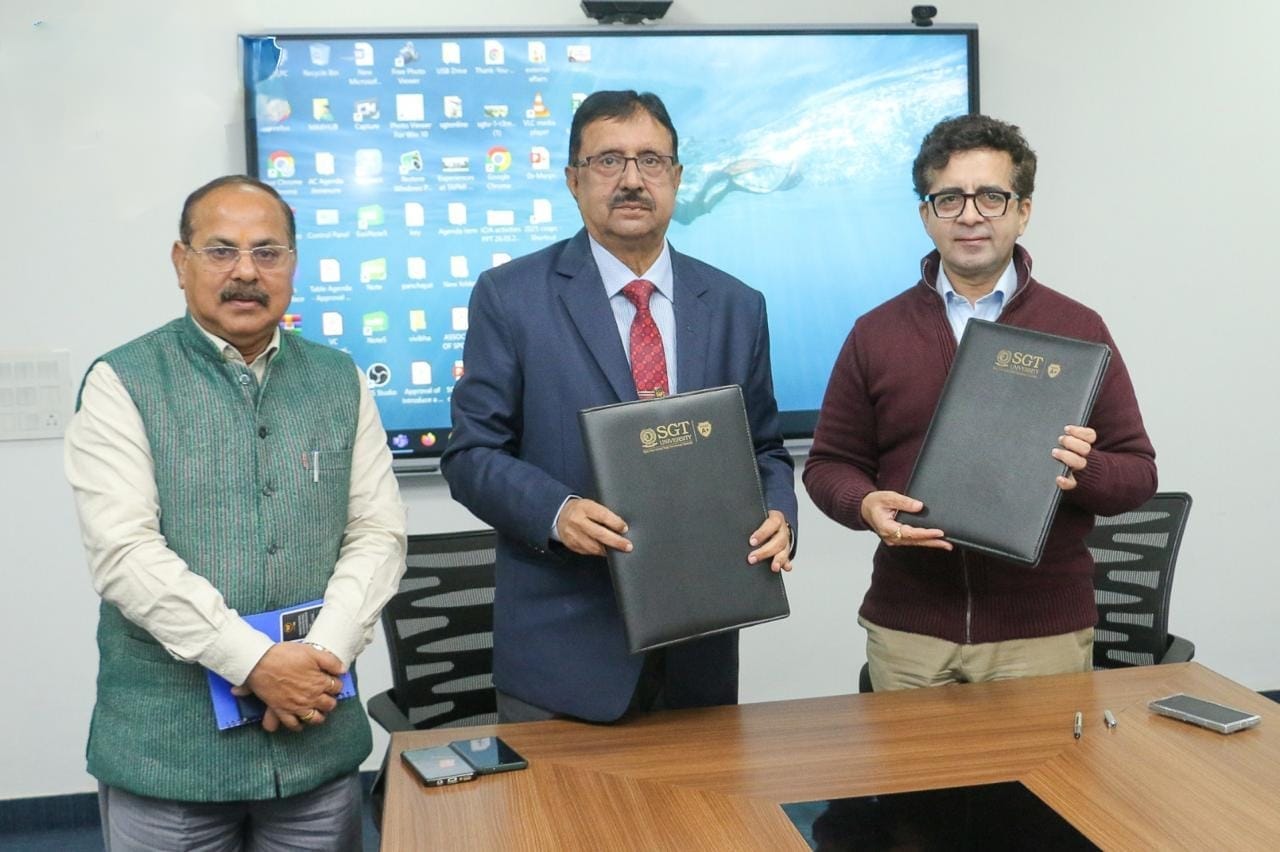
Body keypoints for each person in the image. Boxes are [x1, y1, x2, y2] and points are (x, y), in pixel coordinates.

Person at [64, 175, 406, 850]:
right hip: (172, 760)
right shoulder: (122, 381)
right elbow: (125, 554)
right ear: (181, 262)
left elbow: (377, 534)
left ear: (293, 264)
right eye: (221, 250)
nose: (246, 272)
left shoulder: (338, 378)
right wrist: (256, 664)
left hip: (315, 745)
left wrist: (320, 657)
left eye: (267, 252)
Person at [441, 90, 797, 723]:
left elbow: (764, 447)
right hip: (562, 658)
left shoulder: (736, 305)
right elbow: (471, 455)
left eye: (651, 161)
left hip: (701, 650)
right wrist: (557, 512)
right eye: (608, 160)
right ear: (573, 180)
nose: (632, 180)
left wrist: (779, 511)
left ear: (677, 178)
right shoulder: (510, 296)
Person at [803, 115, 1156, 691]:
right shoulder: (875, 332)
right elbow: (828, 464)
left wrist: (1084, 470)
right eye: (949, 199)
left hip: (1041, 633)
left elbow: (1139, 472)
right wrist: (863, 504)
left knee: (1041, 760)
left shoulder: (1077, 329)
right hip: (910, 631)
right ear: (926, 215)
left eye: (992, 196)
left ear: (1023, 211)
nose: (970, 215)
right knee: (912, 759)